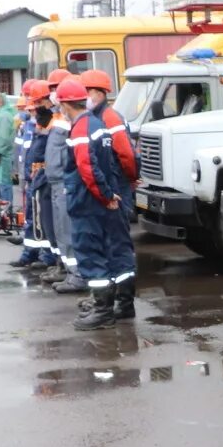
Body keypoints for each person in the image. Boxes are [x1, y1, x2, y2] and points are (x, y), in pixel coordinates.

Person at [59, 77, 137, 329]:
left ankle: (103, 311)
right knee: (117, 251)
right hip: (106, 198)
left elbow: (87, 167)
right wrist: (111, 193)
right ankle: (123, 304)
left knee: (91, 254)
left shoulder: (82, 127)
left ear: (64, 104)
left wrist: (104, 194)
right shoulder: (96, 123)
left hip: (89, 202)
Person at [42, 78, 85, 294]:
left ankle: (77, 275)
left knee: (68, 231)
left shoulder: (75, 121)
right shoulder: (60, 118)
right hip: (57, 182)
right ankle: (70, 271)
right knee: (62, 230)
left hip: (65, 183)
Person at [8, 84, 54, 269]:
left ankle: (45, 256)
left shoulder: (47, 122)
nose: (31, 111)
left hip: (40, 177)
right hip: (31, 177)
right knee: (32, 219)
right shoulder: (30, 124)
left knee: (42, 220)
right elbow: (24, 151)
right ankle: (30, 253)